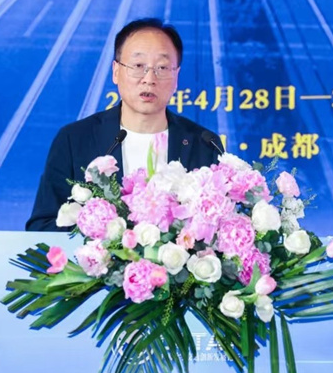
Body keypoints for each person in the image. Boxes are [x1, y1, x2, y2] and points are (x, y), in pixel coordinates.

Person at [26, 18, 224, 231]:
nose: (149, 78)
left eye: (162, 67)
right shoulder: (74, 140)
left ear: (176, 77)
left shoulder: (204, 144)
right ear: (116, 71)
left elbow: (219, 227)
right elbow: (42, 226)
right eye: (138, 66)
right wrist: (102, 241)